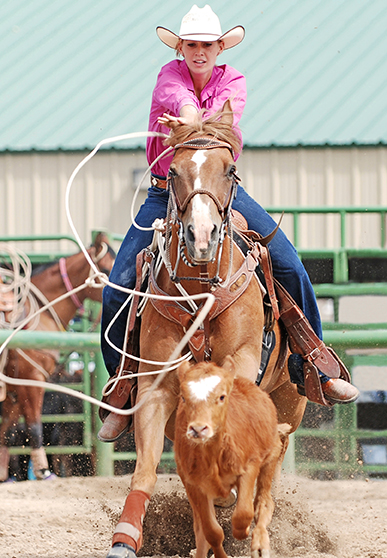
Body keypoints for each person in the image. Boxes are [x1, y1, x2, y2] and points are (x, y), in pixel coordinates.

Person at [99, 4, 359, 442]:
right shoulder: (170, 77)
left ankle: (312, 360)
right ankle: (125, 388)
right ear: (182, 48)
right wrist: (189, 117)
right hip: (170, 189)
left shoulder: (233, 80)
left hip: (221, 190)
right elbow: (182, 102)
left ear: (220, 47)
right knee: (118, 285)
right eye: (192, 45)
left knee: (290, 266)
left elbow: (223, 123)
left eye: (207, 45)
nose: (199, 52)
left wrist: (189, 125)